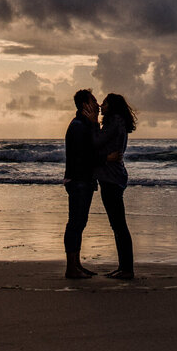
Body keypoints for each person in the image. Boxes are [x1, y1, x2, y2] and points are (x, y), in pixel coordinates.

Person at [94, 93, 137, 280]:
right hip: (113, 176)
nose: (101, 105)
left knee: (118, 225)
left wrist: (92, 121)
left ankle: (126, 269)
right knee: (118, 225)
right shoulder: (117, 123)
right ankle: (123, 267)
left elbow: (96, 141)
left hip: (112, 177)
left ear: (112, 106)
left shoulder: (115, 122)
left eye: (104, 103)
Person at [63, 89, 100, 279]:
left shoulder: (84, 124)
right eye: (94, 101)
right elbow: (92, 150)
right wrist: (95, 125)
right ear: (85, 105)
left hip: (82, 179)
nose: (98, 104)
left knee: (80, 222)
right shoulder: (79, 125)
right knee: (76, 223)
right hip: (79, 180)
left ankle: (76, 264)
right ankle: (71, 267)